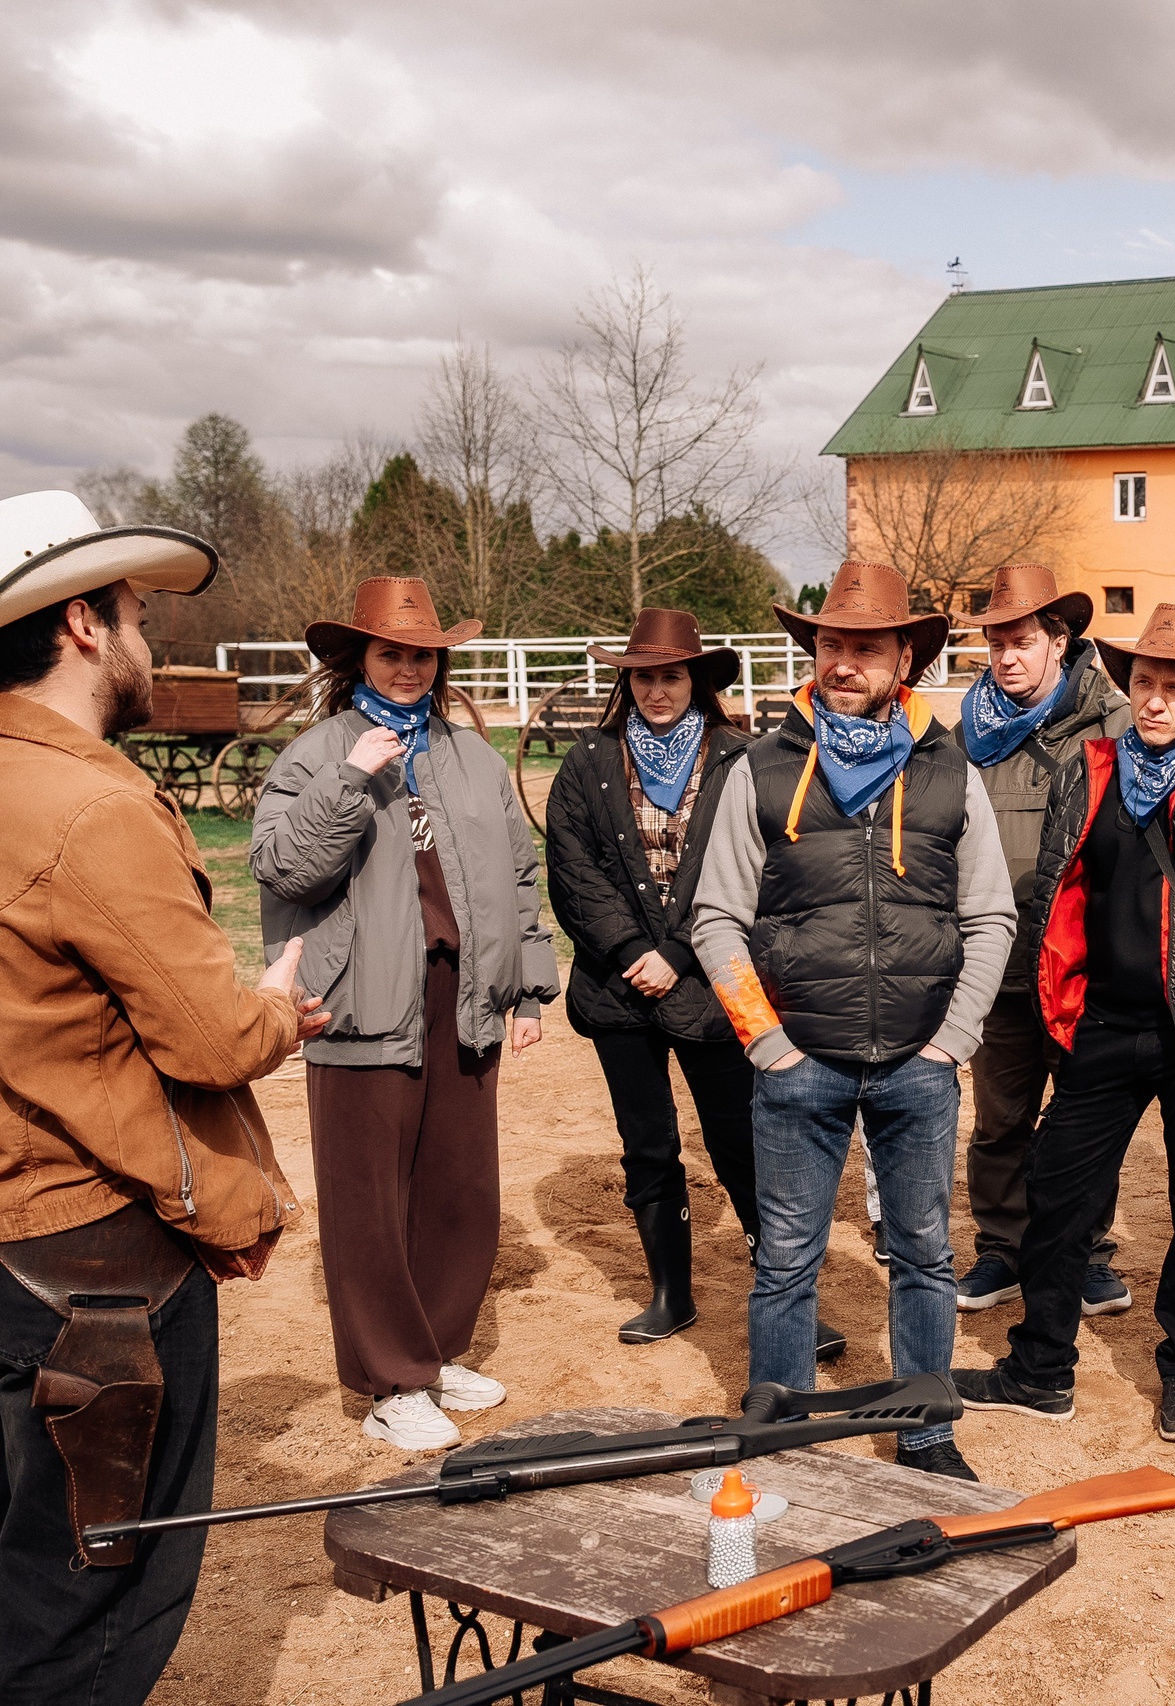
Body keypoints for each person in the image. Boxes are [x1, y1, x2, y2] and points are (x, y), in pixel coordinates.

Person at [0, 491, 327, 1705]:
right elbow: (205, 1038)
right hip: (104, 1269)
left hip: (14, 1245)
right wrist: (277, 1009)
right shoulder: (92, 808)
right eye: (135, 613)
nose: (146, 638)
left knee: (22, 1556)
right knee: (92, 1597)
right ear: (81, 624)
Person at [690, 560, 1015, 1482]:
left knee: (922, 1252)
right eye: (831, 644)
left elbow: (990, 913)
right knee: (787, 1255)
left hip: (919, 1061)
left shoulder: (952, 769)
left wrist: (954, 1039)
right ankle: (782, 1434)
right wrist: (765, 1039)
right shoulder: (761, 767)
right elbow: (717, 916)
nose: (844, 663)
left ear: (903, 655)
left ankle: (924, 1433)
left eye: (865, 647)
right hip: (802, 1063)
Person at [955, 603, 1175, 1444]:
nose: (1156, 701)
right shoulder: (1086, 769)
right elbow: (1060, 891)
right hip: (1101, 1022)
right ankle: (1040, 1366)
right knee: (1059, 1189)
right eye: (1144, 683)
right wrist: (1057, 1001)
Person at [252, 577, 554, 1451]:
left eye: (423, 653)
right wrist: (351, 780)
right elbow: (281, 868)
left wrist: (528, 988)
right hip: (358, 998)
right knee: (369, 1199)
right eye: (392, 652)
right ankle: (391, 1380)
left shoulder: (475, 760)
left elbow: (519, 877)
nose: (410, 667)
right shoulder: (317, 753)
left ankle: (433, 1351)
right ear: (359, 659)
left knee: (461, 1189)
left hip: (459, 997)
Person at [547, 609, 843, 1349]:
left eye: (671, 675)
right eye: (643, 675)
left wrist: (678, 951)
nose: (657, 689)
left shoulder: (742, 760)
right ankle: (670, 1292)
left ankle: (787, 1297)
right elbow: (572, 870)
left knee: (743, 1140)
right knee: (647, 1143)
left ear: (697, 681)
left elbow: (758, 868)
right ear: (627, 680)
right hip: (618, 988)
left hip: (713, 981)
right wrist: (625, 949)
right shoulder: (589, 762)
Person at [947, 564, 1133, 1319]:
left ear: (1061, 640)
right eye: (996, 644)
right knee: (1000, 1118)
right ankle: (1002, 1249)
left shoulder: (1112, 725)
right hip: (996, 965)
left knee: (1084, 1117)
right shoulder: (969, 734)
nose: (1006, 658)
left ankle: (1085, 1249)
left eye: (1021, 641)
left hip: (1083, 966)